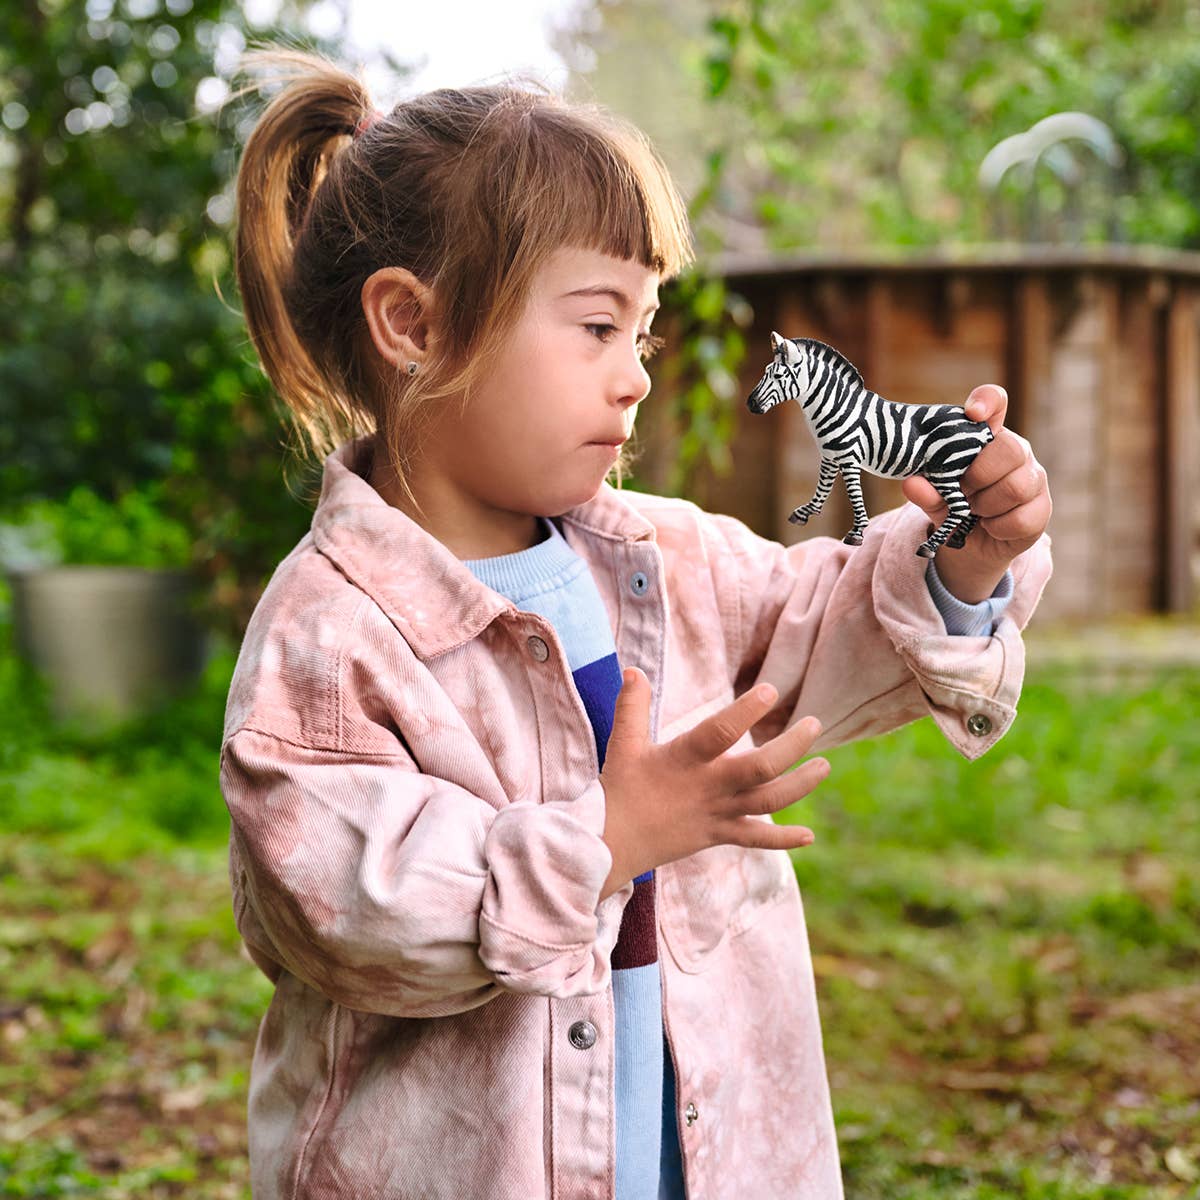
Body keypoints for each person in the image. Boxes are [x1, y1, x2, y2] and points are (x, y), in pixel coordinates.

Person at [219, 46, 1053, 1200]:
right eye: (597, 327)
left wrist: (967, 552)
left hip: (699, 1150)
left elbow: (831, 628)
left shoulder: (667, 559)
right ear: (412, 323)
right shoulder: (332, 637)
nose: (636, 380)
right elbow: (351, 912)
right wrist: (609, 839)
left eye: (644, 334)